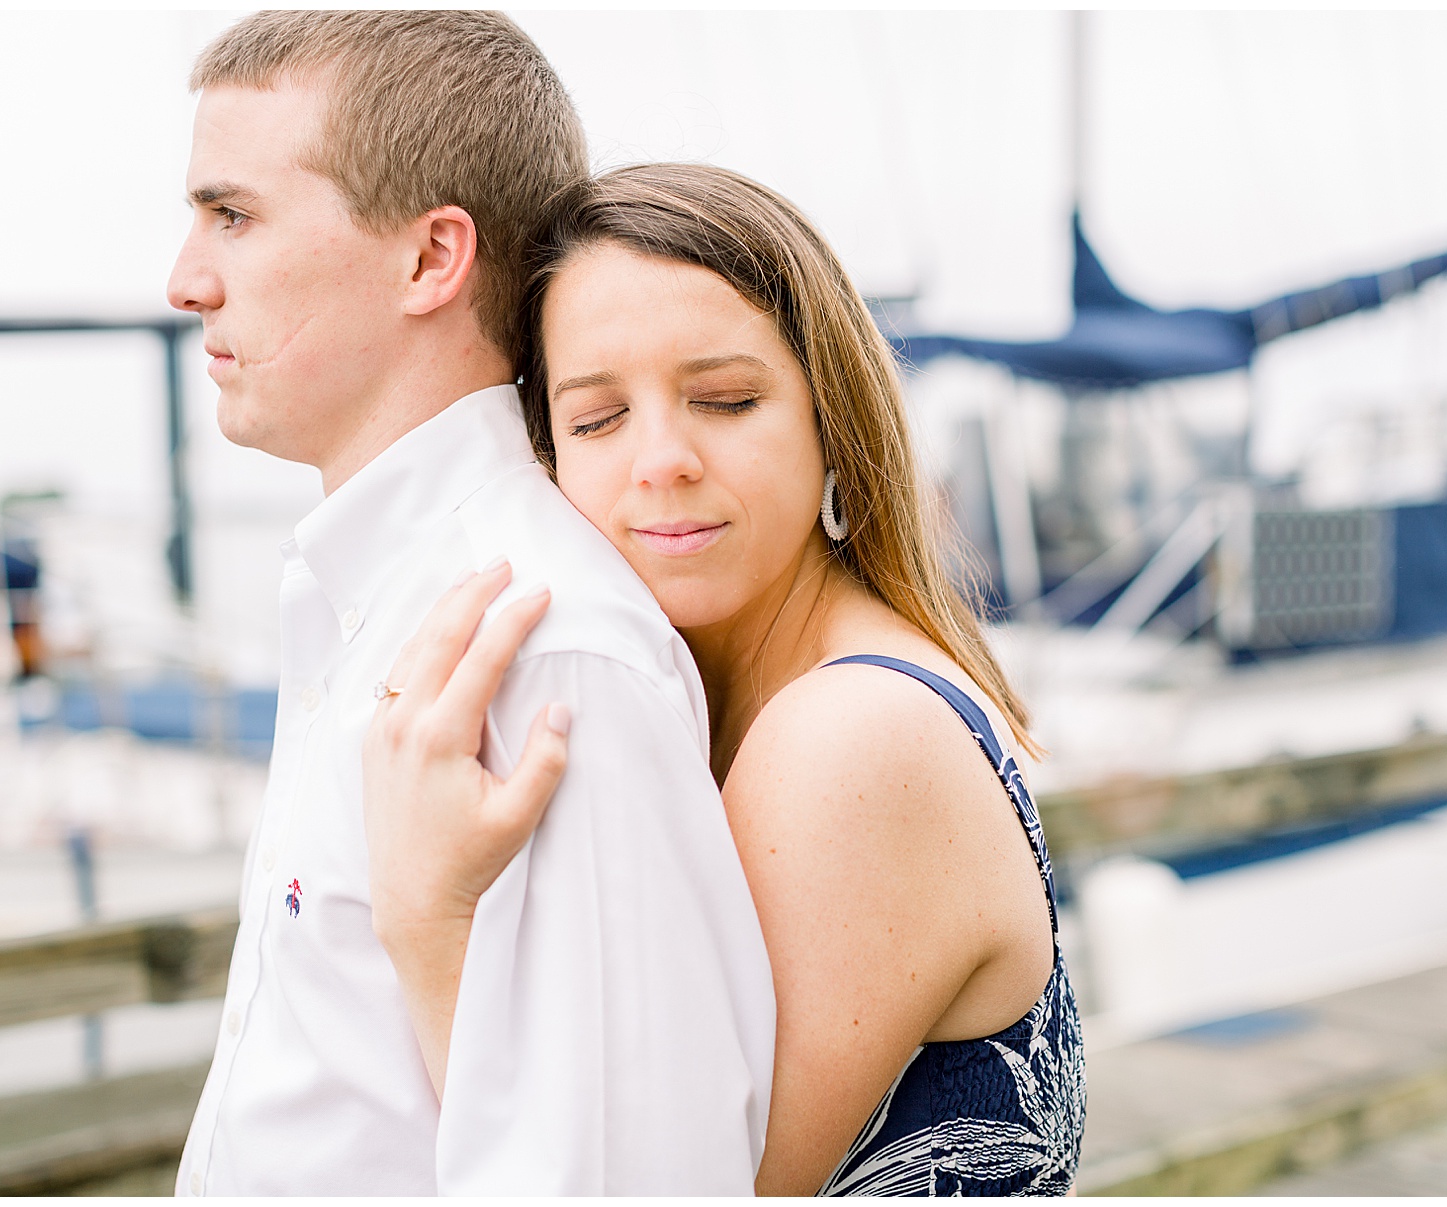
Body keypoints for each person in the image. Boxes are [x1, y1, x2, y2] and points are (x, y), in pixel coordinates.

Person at [363, 163, 1087, 1196]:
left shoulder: (850, 736)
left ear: (831, 417)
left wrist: (427, 918)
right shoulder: (751, 703)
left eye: (726, 399)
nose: (661, 458)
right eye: (599, 419)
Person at [164, 14, 774, 1196]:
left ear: (432, 259)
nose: (186, 279)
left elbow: (633, 1181)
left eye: (232, 215)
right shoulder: (373, 598)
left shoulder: (552, 649)